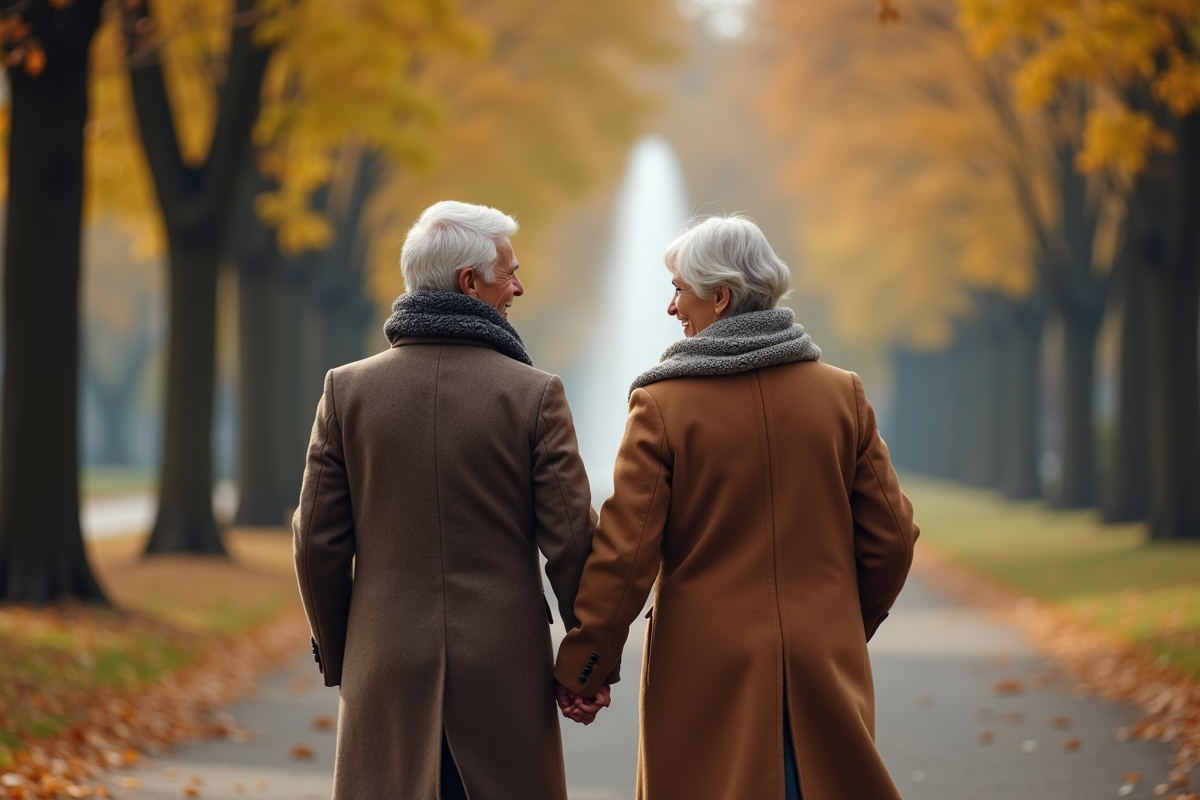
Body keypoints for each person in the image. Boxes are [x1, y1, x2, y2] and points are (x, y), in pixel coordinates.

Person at [554, 215, 919, 799]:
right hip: (823, 656)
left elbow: (626, 556)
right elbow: (894, 539)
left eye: (679, 289)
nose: (672, 307)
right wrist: (842, 622)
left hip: (705, 669)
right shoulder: (841, 393)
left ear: (719, 297)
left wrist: (584, 666)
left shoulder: (663, 404)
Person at [294, 200, 611, 800]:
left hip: (383, 662)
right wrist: (586, 662)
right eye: (509, 273)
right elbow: (571, 541)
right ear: (470, 283)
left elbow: (315, 545)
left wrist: (346, 654)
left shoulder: (347, 392)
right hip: (504, 669)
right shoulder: (534, 395)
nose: (518, 287)